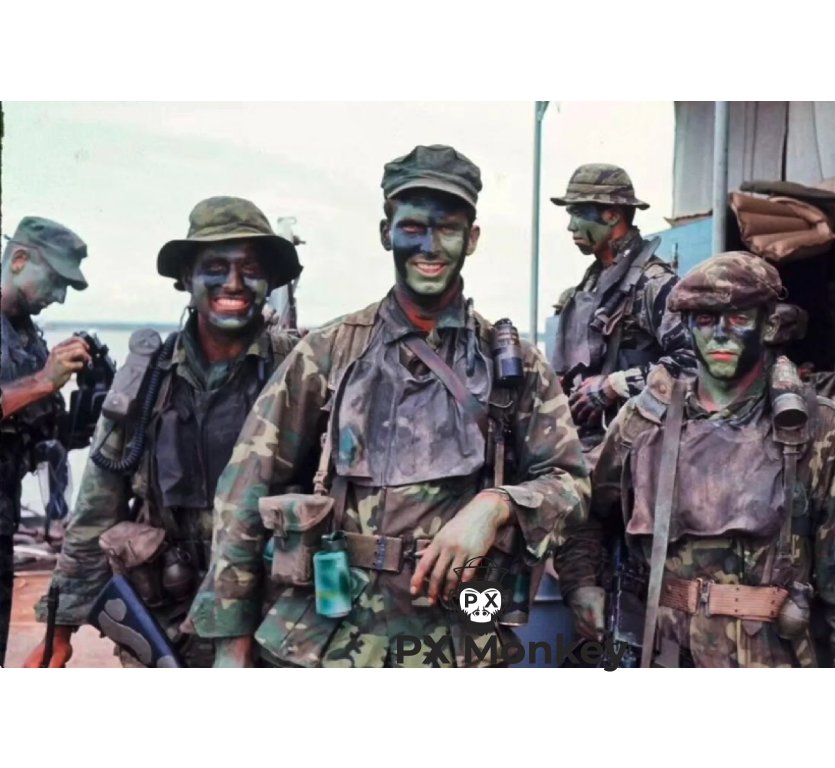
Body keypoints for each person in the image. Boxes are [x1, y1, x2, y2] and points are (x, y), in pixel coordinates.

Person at [189, 145, 590, 667]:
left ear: (471, 239)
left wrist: (497, 505)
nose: (430, 246)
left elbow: (570, 483)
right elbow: (245, 491)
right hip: (334, 638)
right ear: (386, 233)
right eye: (413, 227)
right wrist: (230, 646)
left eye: (448, 229)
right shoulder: (329, 353)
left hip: (461, 639)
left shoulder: (513, 365)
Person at [555, 252, 835, 667]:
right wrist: (581, 585)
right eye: (705, 320)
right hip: (659, 654)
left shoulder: (819, 431)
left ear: (768, 325)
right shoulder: (643, 423)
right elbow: (585, 514)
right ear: (687, 327)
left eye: (738, 319)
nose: (720, 334)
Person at [24, 197, 303, 667]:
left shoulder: (301, 371)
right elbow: (96, 507)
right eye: (215, 267)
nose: (234, 283)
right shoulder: (146, 380)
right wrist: (61, 629)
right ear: (186, 280)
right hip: (168, 622)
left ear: (269, 282)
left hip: (274, 625)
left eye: (251, 269)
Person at [548, 164, 694, 645]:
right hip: (588, 466)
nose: (570, 226)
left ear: (612, 214)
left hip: (644, 470)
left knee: (640, 610)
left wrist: (616, 384)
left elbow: (694, 364)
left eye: (579, 214)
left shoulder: (654, 284)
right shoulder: (585, 290)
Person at [0, 216, 90, 666]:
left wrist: (90, 402)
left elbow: (41, 437)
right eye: (55, 281)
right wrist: (41, 381)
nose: (59, 297)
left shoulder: (25, 335)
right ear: (19, 259)